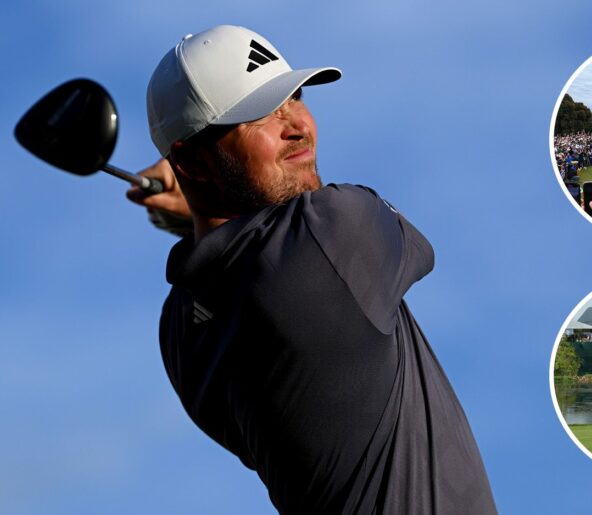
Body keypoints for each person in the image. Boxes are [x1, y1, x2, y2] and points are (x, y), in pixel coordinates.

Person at [128, 25, 496, 514]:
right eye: (258, 114)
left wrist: (199, 213)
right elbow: (294, 251)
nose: (297, 125)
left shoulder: (179, 331)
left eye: (294, 99)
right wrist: (198, 208)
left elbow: (242, 272)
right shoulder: (339, 229)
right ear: (191, 162)